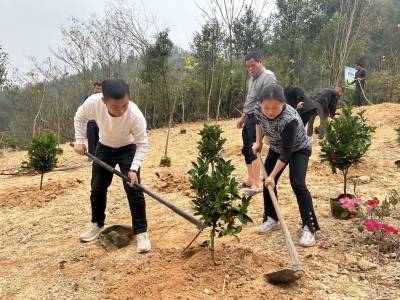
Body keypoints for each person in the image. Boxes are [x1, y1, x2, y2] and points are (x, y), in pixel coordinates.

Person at [74, 79, 151, 253]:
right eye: (116, 106)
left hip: (128, 149)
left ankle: (141, 232)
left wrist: (133, 169)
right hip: (104, 147)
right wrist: (80, 141)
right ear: (104, 101)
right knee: (97, 188)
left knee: (134, 189)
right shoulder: (93, 103)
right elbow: (80, 118)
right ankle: (97, 224)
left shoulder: (135, 114)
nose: (121, 110)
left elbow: (142, 144)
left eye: (125, 105)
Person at [252, 84, 319, 247]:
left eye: (275, 107)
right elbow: (258, 121)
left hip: (298, 149)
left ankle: (309, 228)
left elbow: (287, 153)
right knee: (267, 182)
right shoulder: (258, 108)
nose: (269, 111)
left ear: (283, 103)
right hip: (276, 147)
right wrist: (258, 141)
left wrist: (273, 176)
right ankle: (272, 218)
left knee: (297, 183)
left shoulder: (290, 119)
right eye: (266, 107)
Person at [236, 51, 276, 196]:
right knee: (246, 149)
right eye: (248, 67)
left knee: (254, 150)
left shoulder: (268, 77)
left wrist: (264, 119)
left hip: (258, 118)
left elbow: (270, 100)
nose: (251, 69)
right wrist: (242, 117)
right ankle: (250, 179)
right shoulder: (251, 80)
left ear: (261, 62)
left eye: (253, 65)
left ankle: (257, 185)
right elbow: (249, 100)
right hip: (249, 117)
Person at [85, 82, 102, 162]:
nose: (99, 90)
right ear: (93, 88)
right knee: (91, 139)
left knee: (99, 139)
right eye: (97, 88)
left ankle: (98, 156)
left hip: (100, 122)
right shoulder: (88, 98)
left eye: (100, 89)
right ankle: (91, 156)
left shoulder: (104, 98)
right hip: (91, 121)